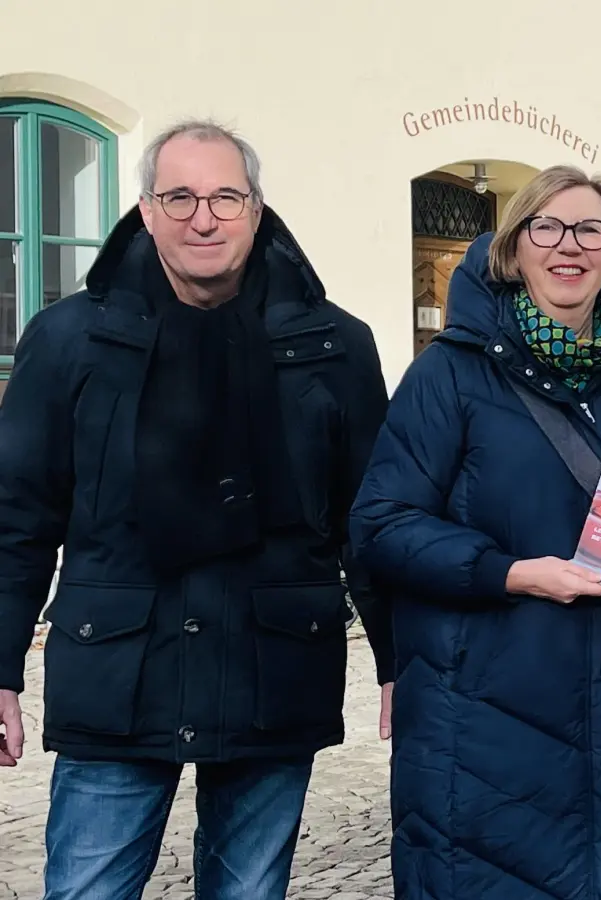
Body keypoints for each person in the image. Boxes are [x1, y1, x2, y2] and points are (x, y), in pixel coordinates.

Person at [0, 119, 394, 899]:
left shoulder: (335, 345)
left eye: (224, 196)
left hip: (273, 666)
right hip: (117, 671)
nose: (203, 217)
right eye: (179, 196)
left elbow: (368, 519)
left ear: (255, 209)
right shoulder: (71, 339)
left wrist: (398, 659)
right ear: (144, 210)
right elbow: (17, 515)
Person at [349, 164, 601, 900]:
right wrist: (510, 571)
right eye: (547, 226)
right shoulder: (450, 374)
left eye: (589, 230)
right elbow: (380, 525)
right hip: (481, 719)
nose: (567, 246)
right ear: (515, 248)